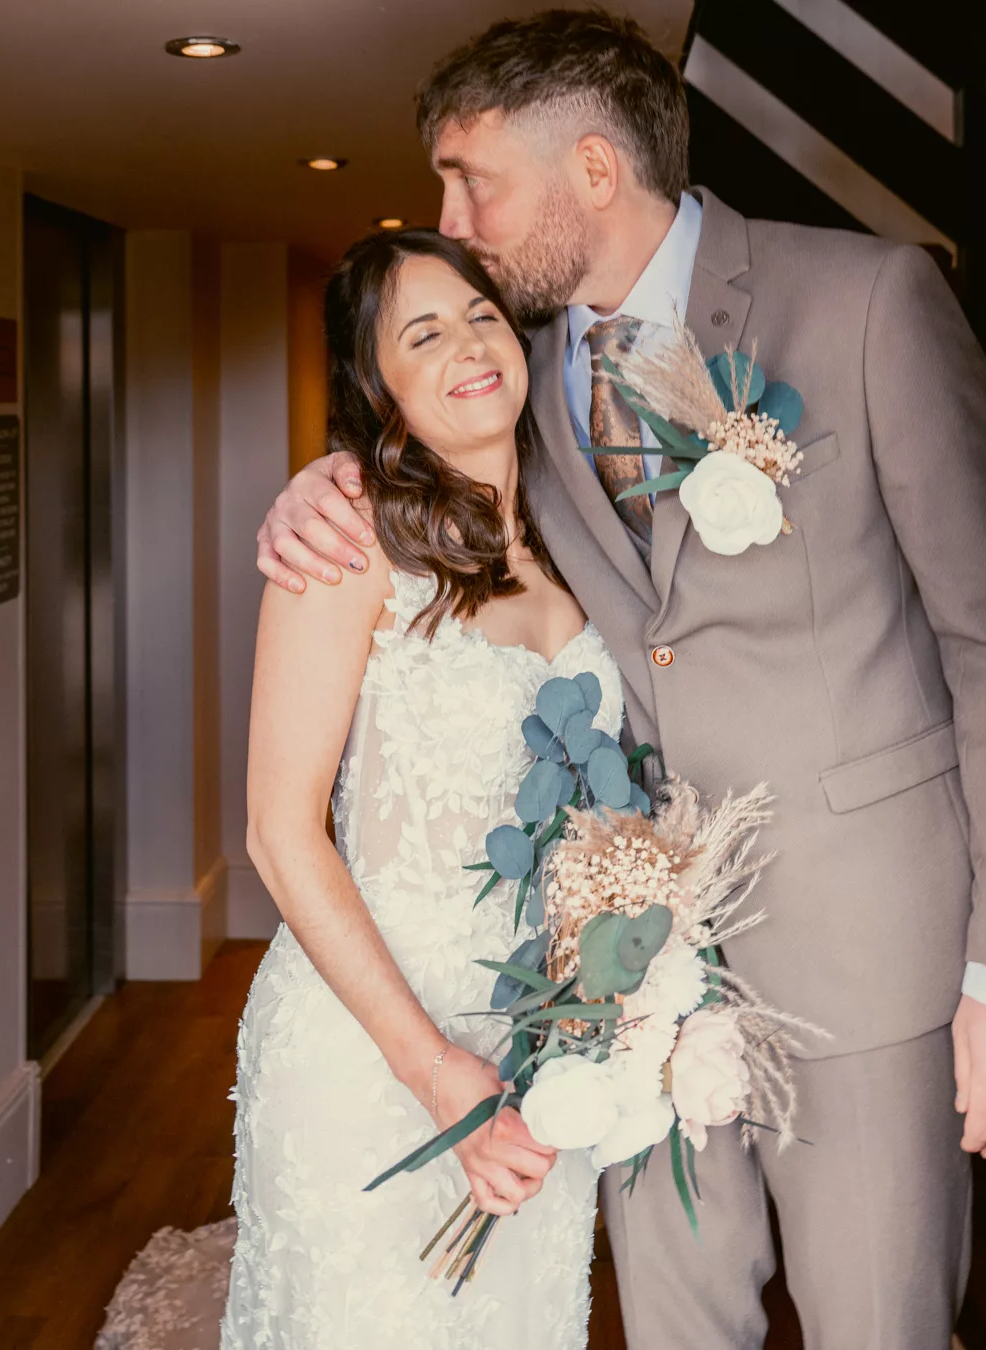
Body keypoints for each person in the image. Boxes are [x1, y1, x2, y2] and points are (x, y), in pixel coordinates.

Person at [255, 11, 986, 1350]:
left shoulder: (868, 299)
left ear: (594, 170)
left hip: (871, 956)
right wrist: (325, 482)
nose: (452, 221)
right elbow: (432, 473)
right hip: (625, 991)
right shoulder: (521, 370)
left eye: (470, 181)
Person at [220, 227, 623, 1349]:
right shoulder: (344, 543)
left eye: (484, 317)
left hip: (542, 1049)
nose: (470, 346)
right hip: (373, 1048)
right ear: (377, 388)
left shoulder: (585, 532)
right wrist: (437, 1071)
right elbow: (279, 832)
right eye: (425, 334)